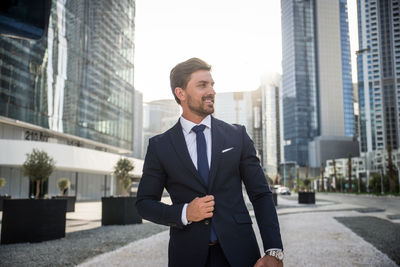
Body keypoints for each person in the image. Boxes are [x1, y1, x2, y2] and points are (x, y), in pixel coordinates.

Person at [136, 58, 284, 267]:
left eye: (212, 84)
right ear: (181, 93)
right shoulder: (160, 146)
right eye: (202, 85)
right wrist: (185, 213)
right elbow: (144, 204)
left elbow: (260, 194)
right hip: (187, 256)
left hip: (240, 254)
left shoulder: (237, 136)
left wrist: (274, 250)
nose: (211, 91)